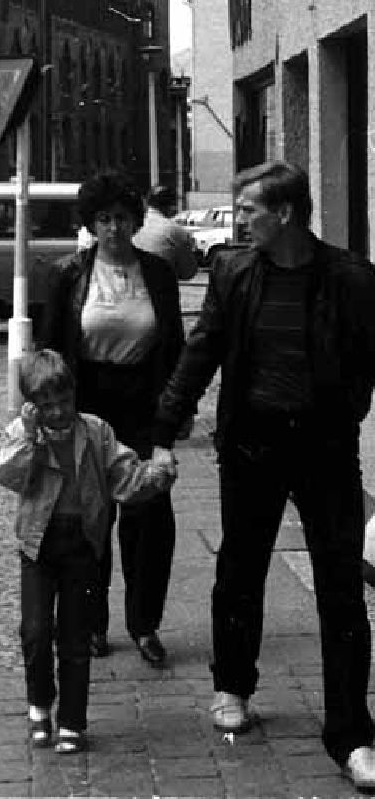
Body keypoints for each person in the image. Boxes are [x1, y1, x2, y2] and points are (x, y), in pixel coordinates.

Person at [151, 161, 375, 791]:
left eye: (249, 208)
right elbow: (202, 353)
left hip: (326, 450)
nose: (240, 218)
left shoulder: (351, 279)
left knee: (339, 589)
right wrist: (163, 429)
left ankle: (353, 735)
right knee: (240, 569)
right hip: (252, 446)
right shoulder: (233, 272)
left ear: (285, 213)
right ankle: (233, 685)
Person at [0, 348, 176, 756]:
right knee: (36, 632)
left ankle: (72, 719)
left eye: (64, 403)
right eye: (47, 405)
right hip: (38, 546)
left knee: (75, 638)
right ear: (32, 406)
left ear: (75, 397)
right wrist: (31, 438)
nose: (57, 412)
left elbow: (122, 476)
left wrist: (154, 478)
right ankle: (40, 704)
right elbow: (6, 474)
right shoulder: (24, 435)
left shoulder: (95, 433)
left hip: (82, 545)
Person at [36, 170, 185, 667]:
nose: (114, 229)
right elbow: (51, 349)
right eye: (104, 220)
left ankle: (145, 625)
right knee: (89, 521)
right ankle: (92, 624)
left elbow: (176, 347)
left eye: (122, 219)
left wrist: (176, 411)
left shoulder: (158, 275)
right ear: (91, 224)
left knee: (151, 521)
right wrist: (48, 411)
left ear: (137, 221)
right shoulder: (69, 274)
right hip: (89, 406)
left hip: (144, 405)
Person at [133, 184, 199, 283]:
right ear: (170, 206)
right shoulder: (174, 230)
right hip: (161, 292)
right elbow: (188, 272)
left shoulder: (132, 225)